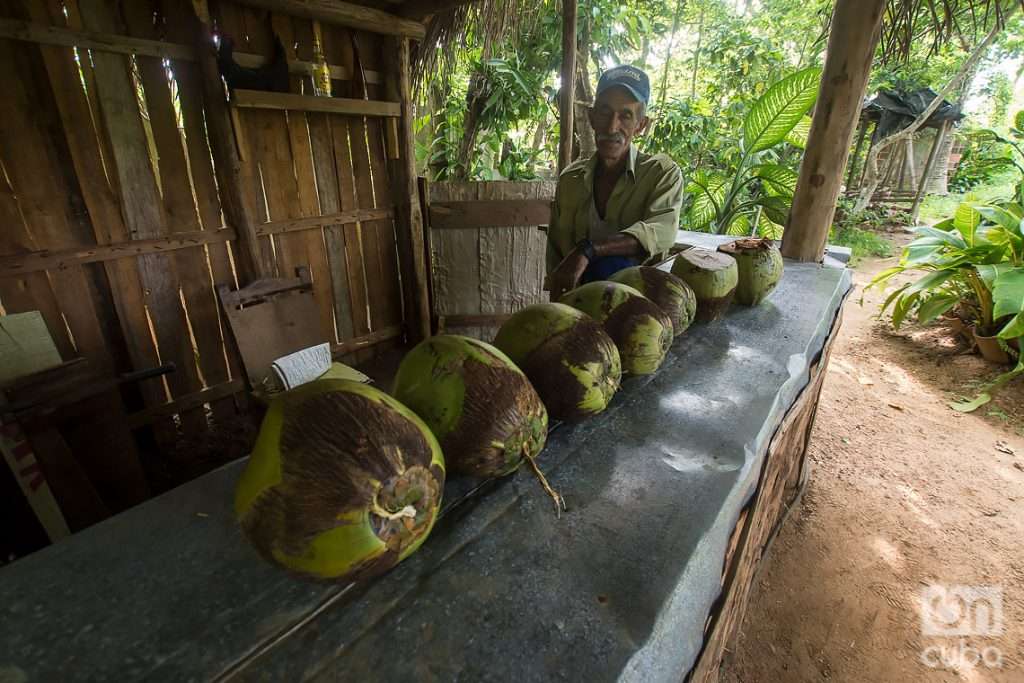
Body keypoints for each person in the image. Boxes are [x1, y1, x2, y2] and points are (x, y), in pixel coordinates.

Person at [546, 65, 684, 300]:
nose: (612, 127)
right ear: (591, 117)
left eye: (626, 116)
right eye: (604, 112)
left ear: (641, 125)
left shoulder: (661, 174)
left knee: (611, 265)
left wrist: (589, 250)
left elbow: (662, 233)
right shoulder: (571, 180)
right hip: (579, 306)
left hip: (642, 312)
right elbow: (559, 260)